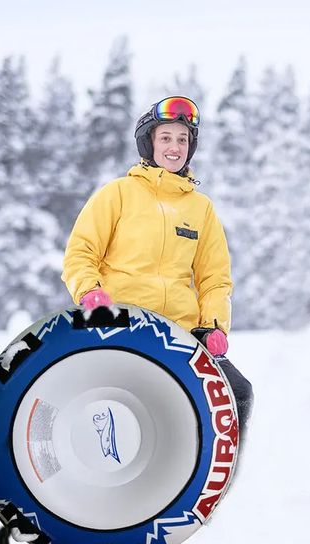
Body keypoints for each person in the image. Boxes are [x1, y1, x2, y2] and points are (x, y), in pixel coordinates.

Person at [62, 96, 253, 439]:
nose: (175, 147)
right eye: (166, 138)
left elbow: (214, 278)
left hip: (181, 334)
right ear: (149, 142)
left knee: (237, 393)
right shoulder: (117, 194)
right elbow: (80, 252)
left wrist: (213, 327)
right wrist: (91, 293)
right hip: (122, 324)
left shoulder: (201, 209)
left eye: (183, 139)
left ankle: (212, 483)